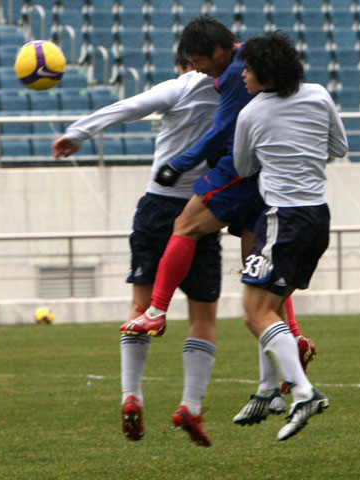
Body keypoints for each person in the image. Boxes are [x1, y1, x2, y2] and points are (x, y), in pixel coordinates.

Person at [120, 16, 316, 394]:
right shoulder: (307, 91)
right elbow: (336, 147)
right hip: (283, 187)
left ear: (222, 52)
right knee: (258, 276)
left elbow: (224, 133)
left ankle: (156, 312)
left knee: (186, 226)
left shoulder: (237, 78)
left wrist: (180, 163)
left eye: (199, 60)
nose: (197, 69)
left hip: (244, 179)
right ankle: (287, 356)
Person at [53, 50, 223, 447]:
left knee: (140, 308)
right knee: (204, 316)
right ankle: (190, 406)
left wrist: (78, 133)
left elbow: (129, 106)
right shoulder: (231, 93)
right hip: (202, 210)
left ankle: (132, 396)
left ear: (185, 64)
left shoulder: (180, 86)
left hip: (157, 207)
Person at [231, 32, 347, 441]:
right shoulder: (318, 94)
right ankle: (270, 392)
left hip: (282, 218)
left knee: (253, 312)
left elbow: (244, 168)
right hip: (318, 216)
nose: (242, 74)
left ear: (265, 73)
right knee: (272, 306)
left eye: (247, 68)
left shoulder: (251, 113)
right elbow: (339, 146)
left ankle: (303, 391)